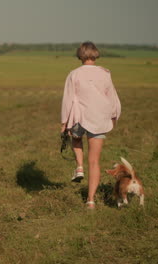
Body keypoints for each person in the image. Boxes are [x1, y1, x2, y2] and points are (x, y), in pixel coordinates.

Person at [60, 41, 121, 209]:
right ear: (95, 54)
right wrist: (115, 115)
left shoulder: (74, 74)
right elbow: (113, 97)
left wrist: (64, 121)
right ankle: (91, 200)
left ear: (80, 55)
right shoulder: (105, 73)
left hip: (79, 117)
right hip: (100, 118)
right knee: (94, 161)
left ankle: (79, 166)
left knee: (76, 139)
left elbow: (67, 99)